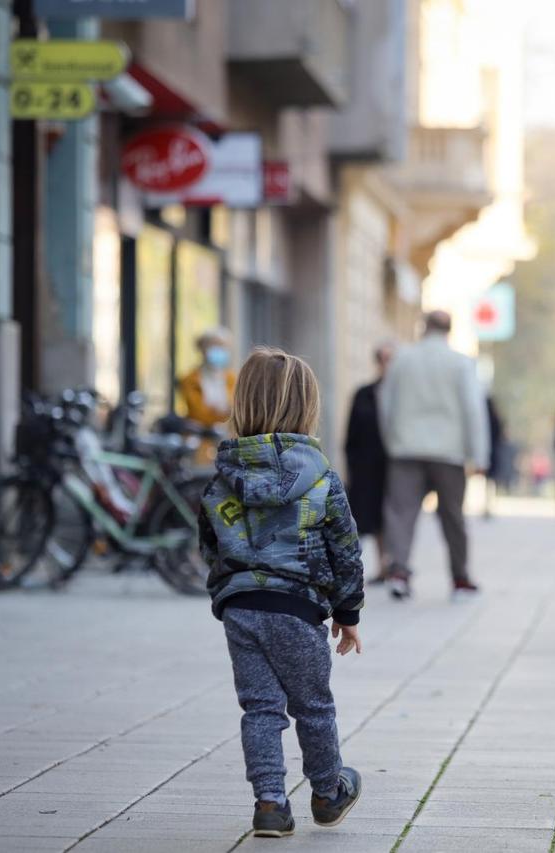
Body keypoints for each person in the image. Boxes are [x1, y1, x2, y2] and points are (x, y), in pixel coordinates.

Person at [198, 347, 365, 839]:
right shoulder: (320, 477)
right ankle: (328, 792)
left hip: (241, 609)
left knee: (260, 709)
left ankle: (270, 804)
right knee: (313, 706)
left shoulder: (222, 478)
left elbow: (208, 544)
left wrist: (231, 586)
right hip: (297, 609)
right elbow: (345, 549)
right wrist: (348, 612)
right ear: (307, 406)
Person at [378, 311, 489, 600]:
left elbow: (386, 402)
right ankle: (460, 577)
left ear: (424, 327)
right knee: (452, 515)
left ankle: (398, 572)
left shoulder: (402, 358)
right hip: (449, 451)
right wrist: (478, 455)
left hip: (406, 447)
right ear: (449, 330)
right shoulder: (461, 362)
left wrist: (391, 439)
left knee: (401, 513)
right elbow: (473, 409)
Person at [344, 342, 395, 580]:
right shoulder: (363, 394)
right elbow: (351, 435)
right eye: (383, 359)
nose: (387, 364)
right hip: (366, 467)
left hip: (395, 466)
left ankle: (392, 565)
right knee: (367, 517)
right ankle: (377, 566)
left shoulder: (404, 396)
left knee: (391, 517)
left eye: (391, 359)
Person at [178, 327, 237, 428]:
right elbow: (198, 414)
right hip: (199, 433)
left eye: (223, 346)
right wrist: (225, 412)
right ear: (202, 349)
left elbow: (238, 411)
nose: (219, 349)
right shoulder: (190, 379)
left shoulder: (232, 378)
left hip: (228, 432)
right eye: (214, 345)